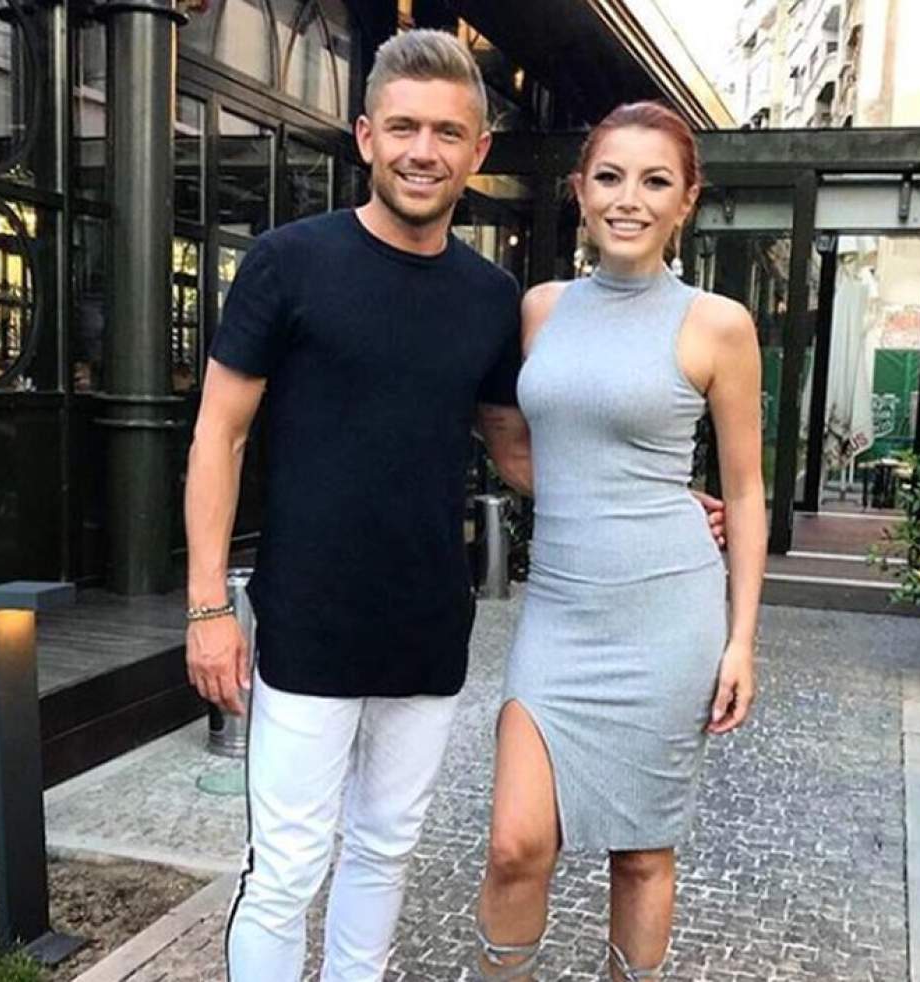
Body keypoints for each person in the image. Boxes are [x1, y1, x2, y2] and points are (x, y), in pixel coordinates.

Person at [184, 31, 727, 981]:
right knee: (287, 868)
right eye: (402, 127)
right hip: (308, 617)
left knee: (384, 851)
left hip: (430, 625)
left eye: (446, 132)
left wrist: (652, 499)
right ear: (365, 135)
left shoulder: (490, 298)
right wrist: (206, 607)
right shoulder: (286, 263)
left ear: (478, 151)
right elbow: (217, 437)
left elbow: (517, 448)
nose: (421, 150)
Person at [474, 102, 767, 981]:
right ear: (579, 191)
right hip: (560, 613)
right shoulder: (541, 308)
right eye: (609, 177)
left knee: (641, 854)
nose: (628, 199)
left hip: (667, 617)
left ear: (687, 201)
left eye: (654, 181)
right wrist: (625, 495)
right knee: (515, 844)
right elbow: (531, 450)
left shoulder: (718, 324)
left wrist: (742, 639)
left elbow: (746, 492)